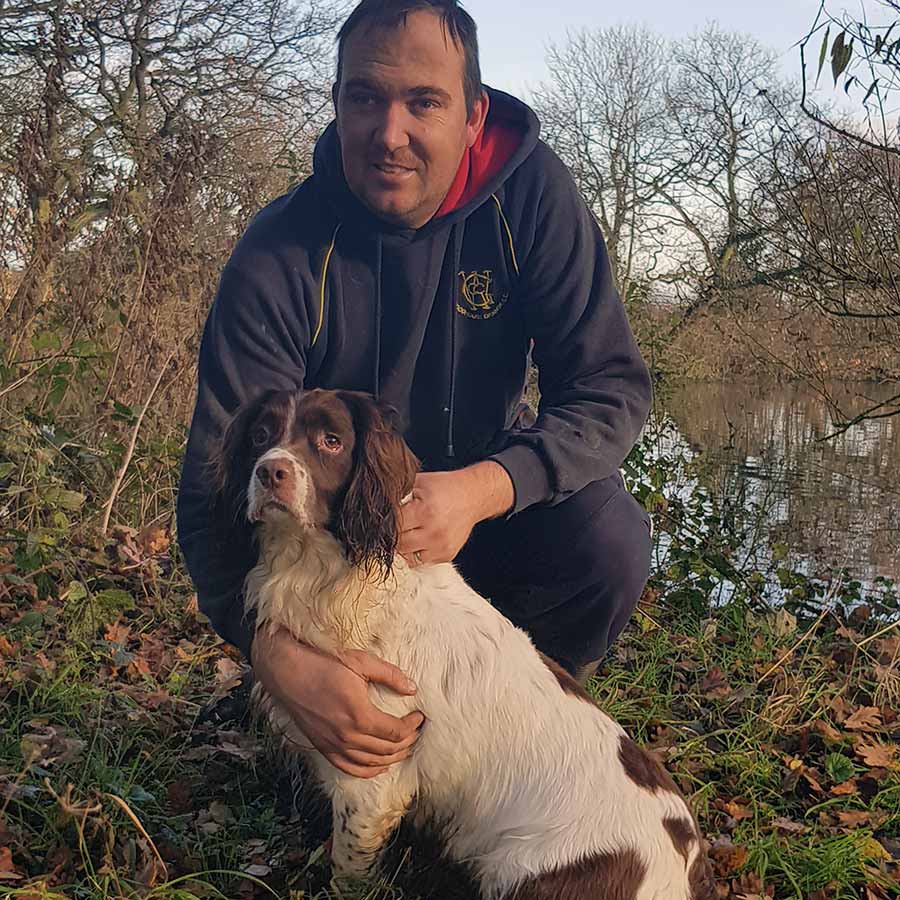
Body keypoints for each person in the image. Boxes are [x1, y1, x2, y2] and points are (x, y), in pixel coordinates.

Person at [177, 0, 653, 781]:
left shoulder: (531, 198)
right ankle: (337, 733)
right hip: (340, 549)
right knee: (313, 735)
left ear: (473, 116)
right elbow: (213, 481)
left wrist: (480, 489)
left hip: (479, 514)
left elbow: (609, 388)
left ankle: (499, 741)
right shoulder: (278, 250)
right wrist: (272, 654)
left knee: (609, 538)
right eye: (365, 97)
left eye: (422, 102)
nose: (389, 133)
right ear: (335, 105)